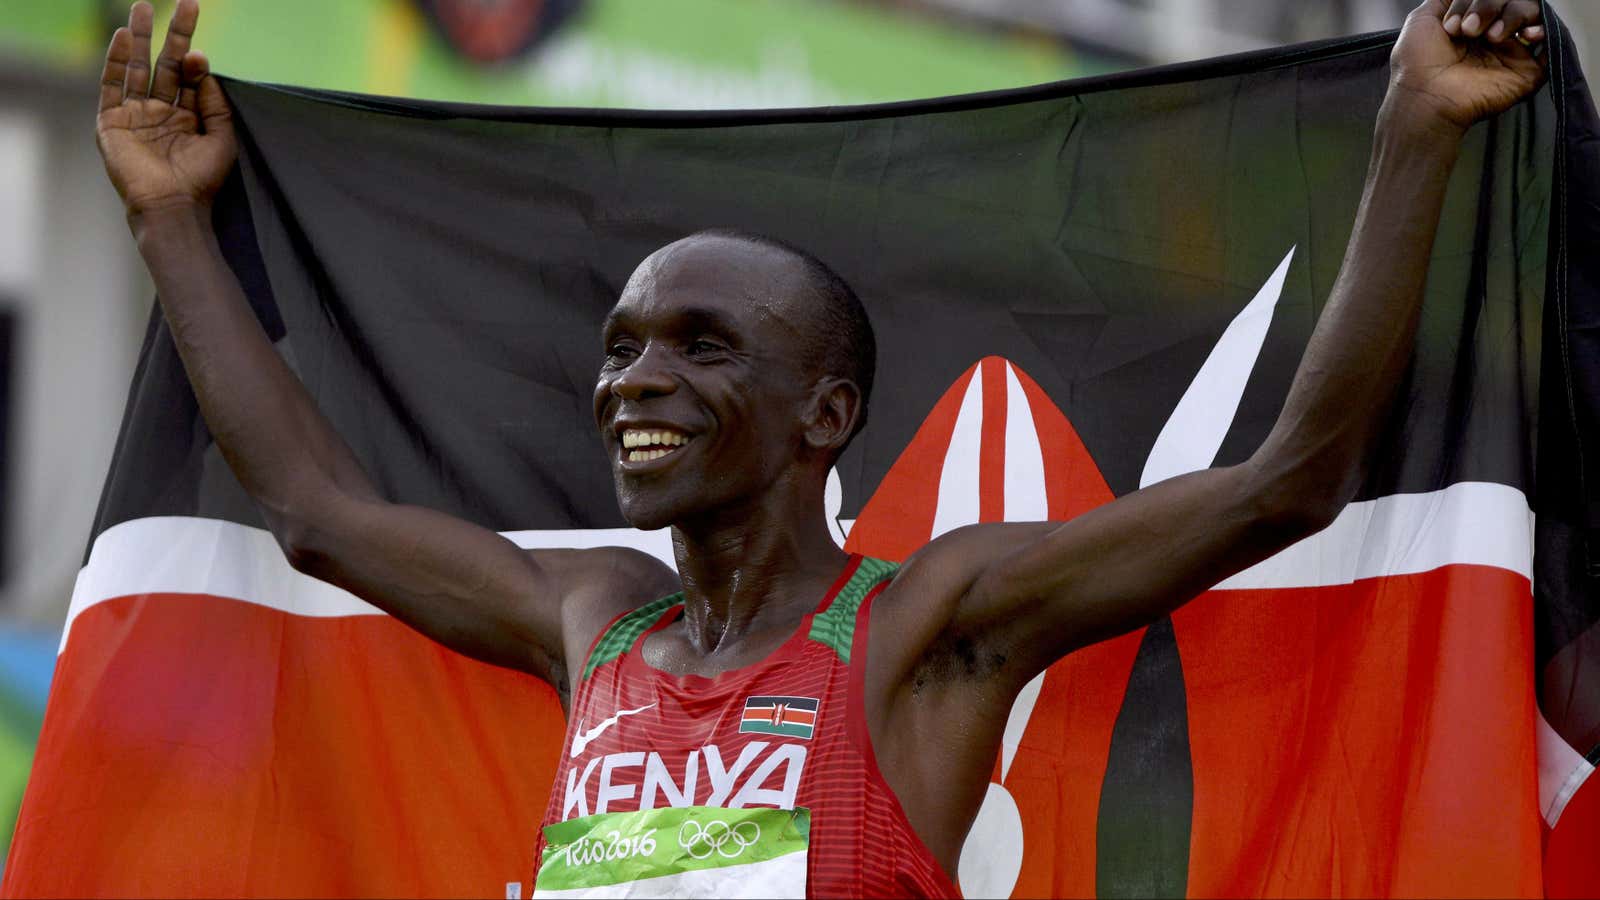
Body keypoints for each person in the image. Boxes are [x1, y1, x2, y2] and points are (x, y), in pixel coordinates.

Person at [94, 0, 1546, 895]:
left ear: (826, 418)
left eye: (699, 345)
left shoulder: (931, 624)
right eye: (618, 348)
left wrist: (1417, 124)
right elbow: (314, 516)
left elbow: (1287, 479)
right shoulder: (592, 617)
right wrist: (170, 217)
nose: (634, 382)